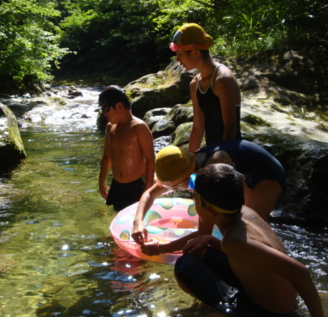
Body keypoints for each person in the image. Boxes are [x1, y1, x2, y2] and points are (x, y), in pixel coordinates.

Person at [151, 164, 323, 315]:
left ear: (210, 209)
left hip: (269, 312)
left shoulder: (234, 240)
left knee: (185, 266)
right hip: (279, 298)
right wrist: (211, 240)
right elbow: (250, 255)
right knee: (199, 251)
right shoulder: (246, 213)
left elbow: (300, 272)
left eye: (195, 198)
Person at [131, 140, 285, 245]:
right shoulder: (185, 164)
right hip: (245, 171)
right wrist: (138, 223)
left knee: (247, 229)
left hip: (267, 175)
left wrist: (161, 248)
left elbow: (203, 232)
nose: (174, 190)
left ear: (186, 178)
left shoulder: (208, 174)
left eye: (175, 187)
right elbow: (149, 194)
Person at [170, 23, 242, 152]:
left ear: (196, 53)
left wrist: (220, 160)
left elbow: (230, 128)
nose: (178, 59)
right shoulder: (194, 84)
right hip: (212, 150)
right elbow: (198, 127)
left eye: (180, 53)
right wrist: (192, 161)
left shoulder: (222, 80)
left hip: (230, 152)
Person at [98, 85, 155, 211]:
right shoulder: (110, 128)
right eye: (102, 110)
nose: (104, 114)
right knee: (119, 217)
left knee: (136, 218)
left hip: (136, 185)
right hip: (117, 185)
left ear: (119, 106)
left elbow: (150, 158)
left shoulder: (139, 127)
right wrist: (101, 181)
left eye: (106, 109)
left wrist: (148, 187)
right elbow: (107, 157)